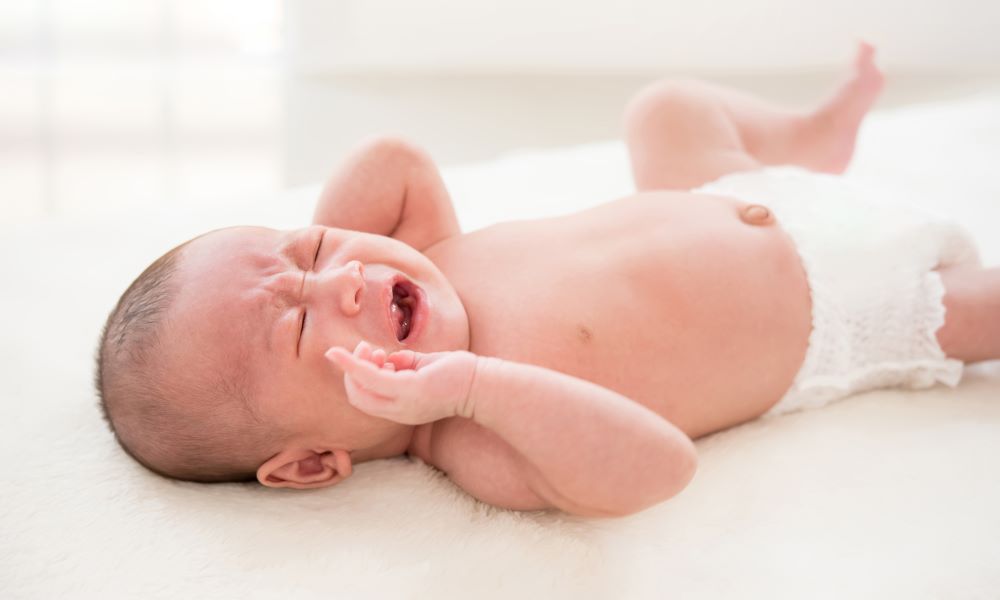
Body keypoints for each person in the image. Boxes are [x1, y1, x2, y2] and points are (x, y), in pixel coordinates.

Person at [95, 43, 998, 517]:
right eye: (298, 327)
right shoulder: (483, 443)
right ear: (310, 461)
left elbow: (391, 155)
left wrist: (322, 269)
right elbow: (660, 468)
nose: (341, 281)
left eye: (309, 250)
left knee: (667, 108)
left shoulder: (430, 263)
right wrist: (478, 386)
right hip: (848, 310)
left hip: (727, 191)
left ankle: (809, 142)